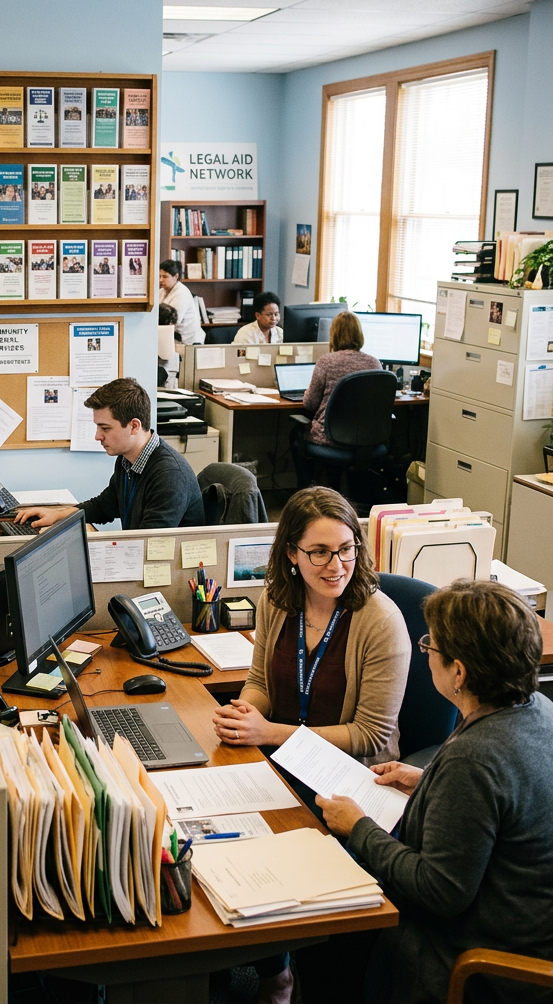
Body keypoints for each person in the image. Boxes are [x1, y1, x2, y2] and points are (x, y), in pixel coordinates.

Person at [309, 580, 553, 1004]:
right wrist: (428, 781)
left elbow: (439, 891)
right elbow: (509, 801)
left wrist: (359, 827)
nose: (426, 654)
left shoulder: (475, 759)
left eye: (431, 647)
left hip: (481, 958)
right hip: (530, 919)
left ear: (459, 672)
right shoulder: (537, 709)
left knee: (332, 939)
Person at [212, 485, 410, 1004]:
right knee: (221, 843)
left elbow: (373, 735)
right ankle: (270, 968)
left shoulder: (381, 621)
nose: (335, 564)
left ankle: (303, 976)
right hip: (283, 764)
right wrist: (245, 710)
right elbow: (259, 679)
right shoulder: (277, 601)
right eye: (319, 552)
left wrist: (271, 733)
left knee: (285, 859)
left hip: (351, 780)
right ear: (291, 556)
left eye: (346, 549)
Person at [12, 378, 204, 531]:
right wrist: (57, 515)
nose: (98, 436)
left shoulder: (169, 475)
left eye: (105, 428)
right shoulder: (128, 460)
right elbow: (105, 505)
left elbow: (148, 544)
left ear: (134, 426)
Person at [289, 311, 383, 487]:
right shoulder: (374, 363)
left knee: (295, 433)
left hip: (329, 438)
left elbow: (309, 404)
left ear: (334, 335)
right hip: (366, 440)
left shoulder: (326, 362)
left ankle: (305, 490)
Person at [158, 259, 203, 345]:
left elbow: (172, 322)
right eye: (160, 276)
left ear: (175, 276)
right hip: (170, 337)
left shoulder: (182, 293)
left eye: (165, 277)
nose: (161, 280)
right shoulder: (161, 291)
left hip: (187, 341)